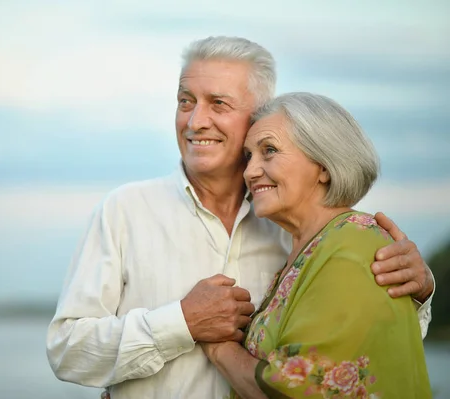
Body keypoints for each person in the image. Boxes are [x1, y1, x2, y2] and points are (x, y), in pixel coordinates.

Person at [46, 37, 434, 399]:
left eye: (218, 103)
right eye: (185, 101)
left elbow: (352, 360)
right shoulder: (125, 210)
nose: (195, 121)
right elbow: (67, 352)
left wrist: (417, 294)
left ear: (257, 116)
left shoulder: (300, 230)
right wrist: (180, 323)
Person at [200, 92, 431, 398]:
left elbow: (295, 389)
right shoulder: (311, 248)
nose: (250, 171)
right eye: (248, 156)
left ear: (323, 164)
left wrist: (217, 345)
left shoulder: (352, 244)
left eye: (269, 150)